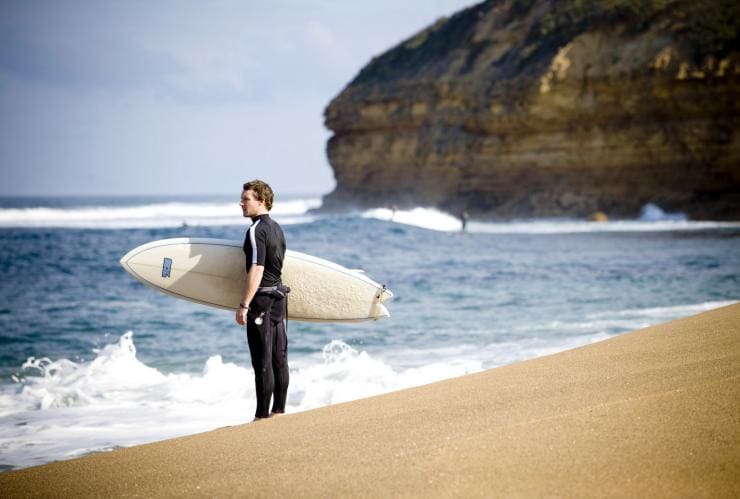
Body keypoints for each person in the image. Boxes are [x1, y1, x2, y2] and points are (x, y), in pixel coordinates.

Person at [235, 180, 289, 420]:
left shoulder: (256, 230)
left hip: (262, 302)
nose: (241, 203)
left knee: (262, 360)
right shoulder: (277, 228)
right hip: (279, 299)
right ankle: (279, 411)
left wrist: (244, 305)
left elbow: (257, 268)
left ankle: (261, 416)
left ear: (261, 201)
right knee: (279, 357)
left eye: (246, 199)